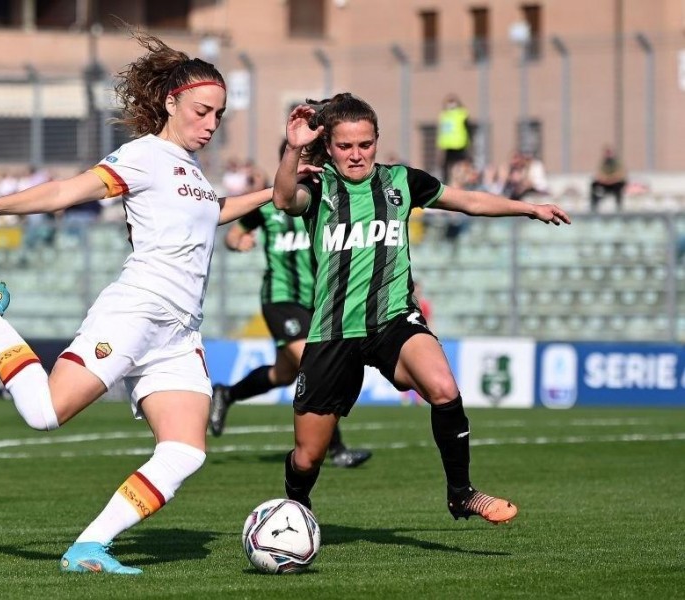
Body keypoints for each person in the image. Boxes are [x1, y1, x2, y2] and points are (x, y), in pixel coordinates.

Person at [0, 31, 313, 576]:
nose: (210, 124)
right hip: (136, 311)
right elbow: (65, 192)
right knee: (44, 414)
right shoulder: (144, 156)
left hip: (179, 332)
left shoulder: (192, 173)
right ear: (171, 102)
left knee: (186, 452)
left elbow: (218, 210)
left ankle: (88, 546)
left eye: (219, 116)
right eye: (203, 111)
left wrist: (288, 176)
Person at [273, 94, 571, 523]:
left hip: (393, 319)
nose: (356, 155)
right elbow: (284, 200)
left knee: (444, 388)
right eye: (345, 146)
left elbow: (467, 200)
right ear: (331, 147)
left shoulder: (401, 181)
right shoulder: (319, 186)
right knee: (307, 457)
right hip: (334, 331)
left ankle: (461, 493)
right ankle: (296, 506)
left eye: (365, 144)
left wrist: (528, 208)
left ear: (377, 140)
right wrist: (293, 147)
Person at [210, 141, 372, 469]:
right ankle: (336, 449)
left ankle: (227, 394)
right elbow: (232, 234)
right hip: (281, 299)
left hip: (316, 302)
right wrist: (237, 242)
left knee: (282, 373)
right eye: (300, 156)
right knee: (315, 366)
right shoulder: (271, 201)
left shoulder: (325, 199)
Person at [437, 94, 470, 183]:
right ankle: (446, 182)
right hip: (448, 145)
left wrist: (468, 142)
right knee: (446, 166)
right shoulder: (444, 115)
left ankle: (465, 181)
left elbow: (467, 128)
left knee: (462, 165)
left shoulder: (462, 113)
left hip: (459, 144)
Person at [590, 146, 627, 212]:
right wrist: (605, 179)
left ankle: (619, 206)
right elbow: (599, 174)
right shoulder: (603, 163)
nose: (608, 155)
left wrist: (610, 179)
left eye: (609, 153)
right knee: (594, 184)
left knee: (619, 186)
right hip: (606, 184)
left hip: (615, 183)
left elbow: (620, 174)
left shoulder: (617, 162)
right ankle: (594, 205)